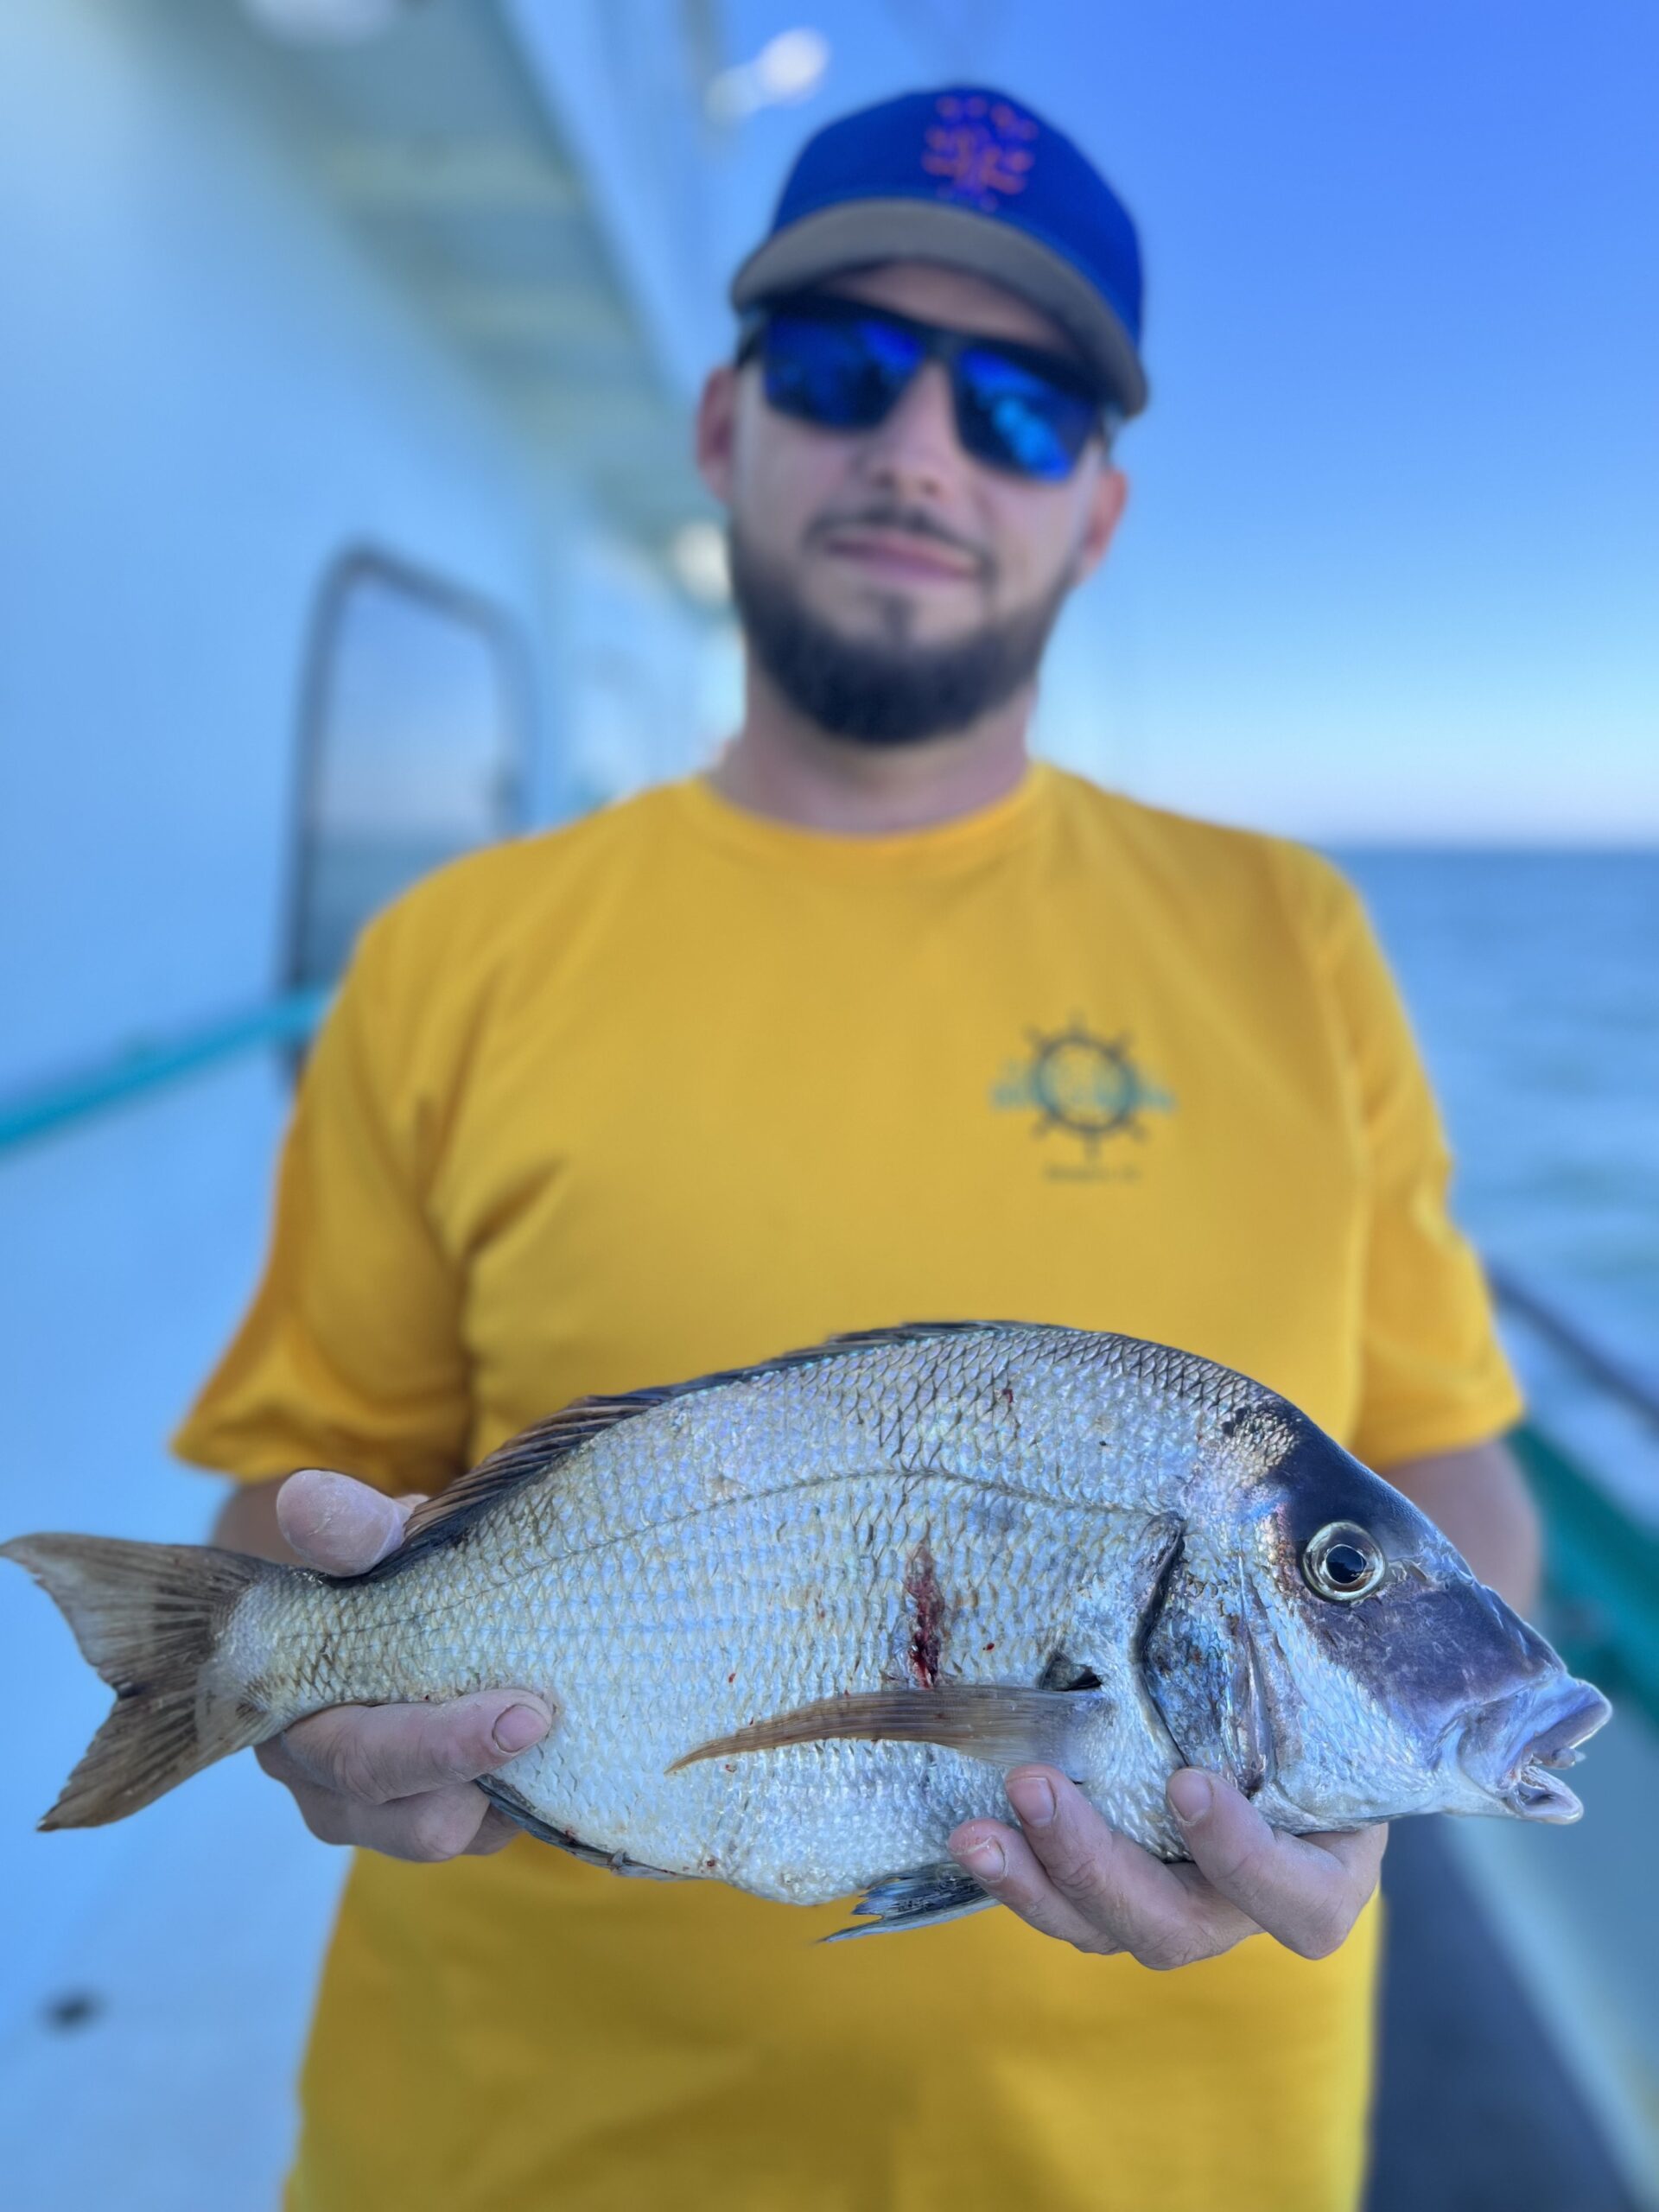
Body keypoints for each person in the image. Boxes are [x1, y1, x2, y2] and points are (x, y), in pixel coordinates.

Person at [178, 85, 1540, 2212]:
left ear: (1095, 508)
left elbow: (1449, 1482)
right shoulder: (457, 946)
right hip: (514, 2150)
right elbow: (289, 1483)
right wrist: (306, 1670)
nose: (918, 445)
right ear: (724, 425)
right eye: (840, 371)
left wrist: (1365, 1762)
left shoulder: (1297, 939)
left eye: (1017, 408)